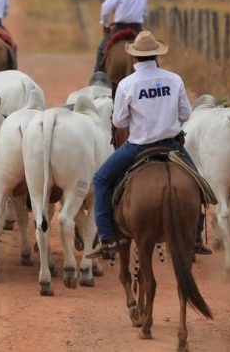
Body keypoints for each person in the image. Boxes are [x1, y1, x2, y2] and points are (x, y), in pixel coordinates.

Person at [87, 30, 212, 259]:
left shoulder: (127, 84)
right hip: (172, 146)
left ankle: (106, 238)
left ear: (134, 57)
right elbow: (186, 113)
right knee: (198, 183)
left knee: (101, 180)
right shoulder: (174, 79)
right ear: (157, 56)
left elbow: (118, 121)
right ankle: (195, 234)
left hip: (137, 147)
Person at [94, 0, 147, 72]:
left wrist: (105, 23)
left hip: (121, 28)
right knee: (150, 49)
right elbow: (144, 13)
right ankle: (156, 71)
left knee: (101, 48)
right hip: (137, 28)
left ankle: (98, 77)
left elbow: (105, 8)